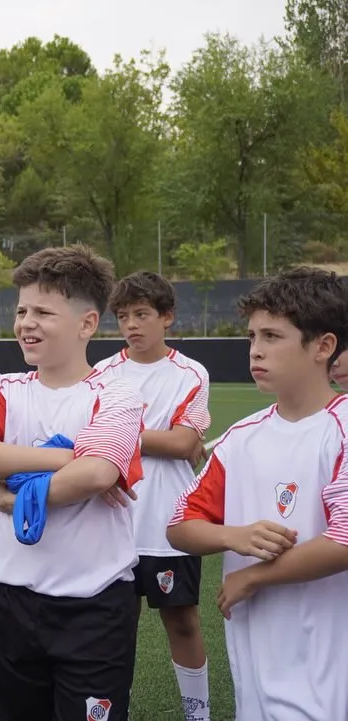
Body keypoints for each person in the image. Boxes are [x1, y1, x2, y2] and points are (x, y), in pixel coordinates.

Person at [0, 244, 145, 721]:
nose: (26, 322)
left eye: (43, 311)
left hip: (93, 602)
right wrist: (63, 457)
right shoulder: (1, 388)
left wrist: (16, 497)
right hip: (8, 595)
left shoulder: (117, 393)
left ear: (86, 324)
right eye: (21, 310)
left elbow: (98, 473)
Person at [166, 267, 348, 721]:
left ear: (323, 347)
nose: (256, 351)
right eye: (252, 337)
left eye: (272, 336)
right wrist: (234, 537)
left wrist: (253, 577)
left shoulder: (341, 429)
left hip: (328, 659)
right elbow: (179, 525)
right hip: (255, 657)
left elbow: (345, 538)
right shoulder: (241, 438)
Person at [92, 271, 212, 721]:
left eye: (142, 314)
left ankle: (197, 712)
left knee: (181, 620)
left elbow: (184, 445)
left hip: (167, 525)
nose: (131, 326)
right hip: (111, 522)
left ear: (167, 318)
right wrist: (154, 436)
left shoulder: (190, 373)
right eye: (123, 316)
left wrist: (122, 432)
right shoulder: (102, 372)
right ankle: (105, 709)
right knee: (111, 628)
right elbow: (90, 436)